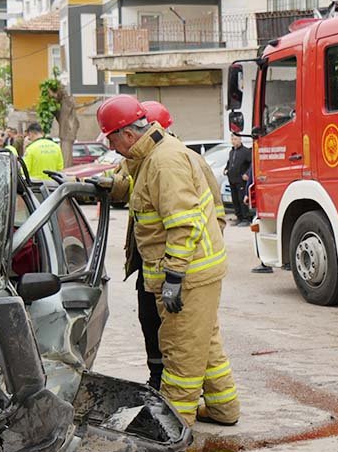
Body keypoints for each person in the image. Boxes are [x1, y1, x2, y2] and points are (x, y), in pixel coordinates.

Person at [97, 94, 239, 426]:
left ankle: (174, 427)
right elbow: (131, 189)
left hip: (187, 274)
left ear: (129, 135)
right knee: (205, 344)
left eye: (113, 139)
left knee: (181, 354)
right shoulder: (151, 158)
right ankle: (223, 407)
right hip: (192, 271)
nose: (113, 147)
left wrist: (174, 276)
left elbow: (183, 223)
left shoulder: (164, 162)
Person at [225, 132, 253, 224]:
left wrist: (247, 174)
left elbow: (251, 164)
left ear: (240, 139)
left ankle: (246, 218)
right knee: (235, 199)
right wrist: (226, 170)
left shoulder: (245, 151)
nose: (234, 141)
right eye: (232, 139)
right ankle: (239, 217)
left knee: (242, 200)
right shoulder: (231, 152)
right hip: (232, 179)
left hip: (241, 180)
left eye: (235, 139)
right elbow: (229, 163)